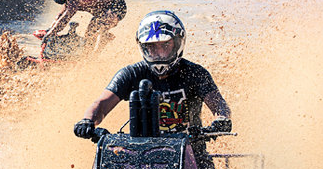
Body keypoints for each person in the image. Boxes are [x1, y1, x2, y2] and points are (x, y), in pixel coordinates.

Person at [72, 10, 231, 142]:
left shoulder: (195, 73)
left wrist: (221, 120)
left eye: (165, 46)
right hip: (142, 154)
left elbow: (219, 105)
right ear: (142, 47)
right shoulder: (131, 74)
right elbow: (101, 104)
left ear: (177, 43)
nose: (158, 53)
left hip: (191, 152)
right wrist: (87, 121)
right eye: (151, 47)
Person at [43, 0, 127, 52]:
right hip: (105, 11)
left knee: (101, 27)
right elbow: (60, 15)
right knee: (89, 32)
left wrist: (49, 35)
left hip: (117, 5)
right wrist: (49, 30)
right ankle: (88, 53)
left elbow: (65, 18)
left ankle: (95, 55)